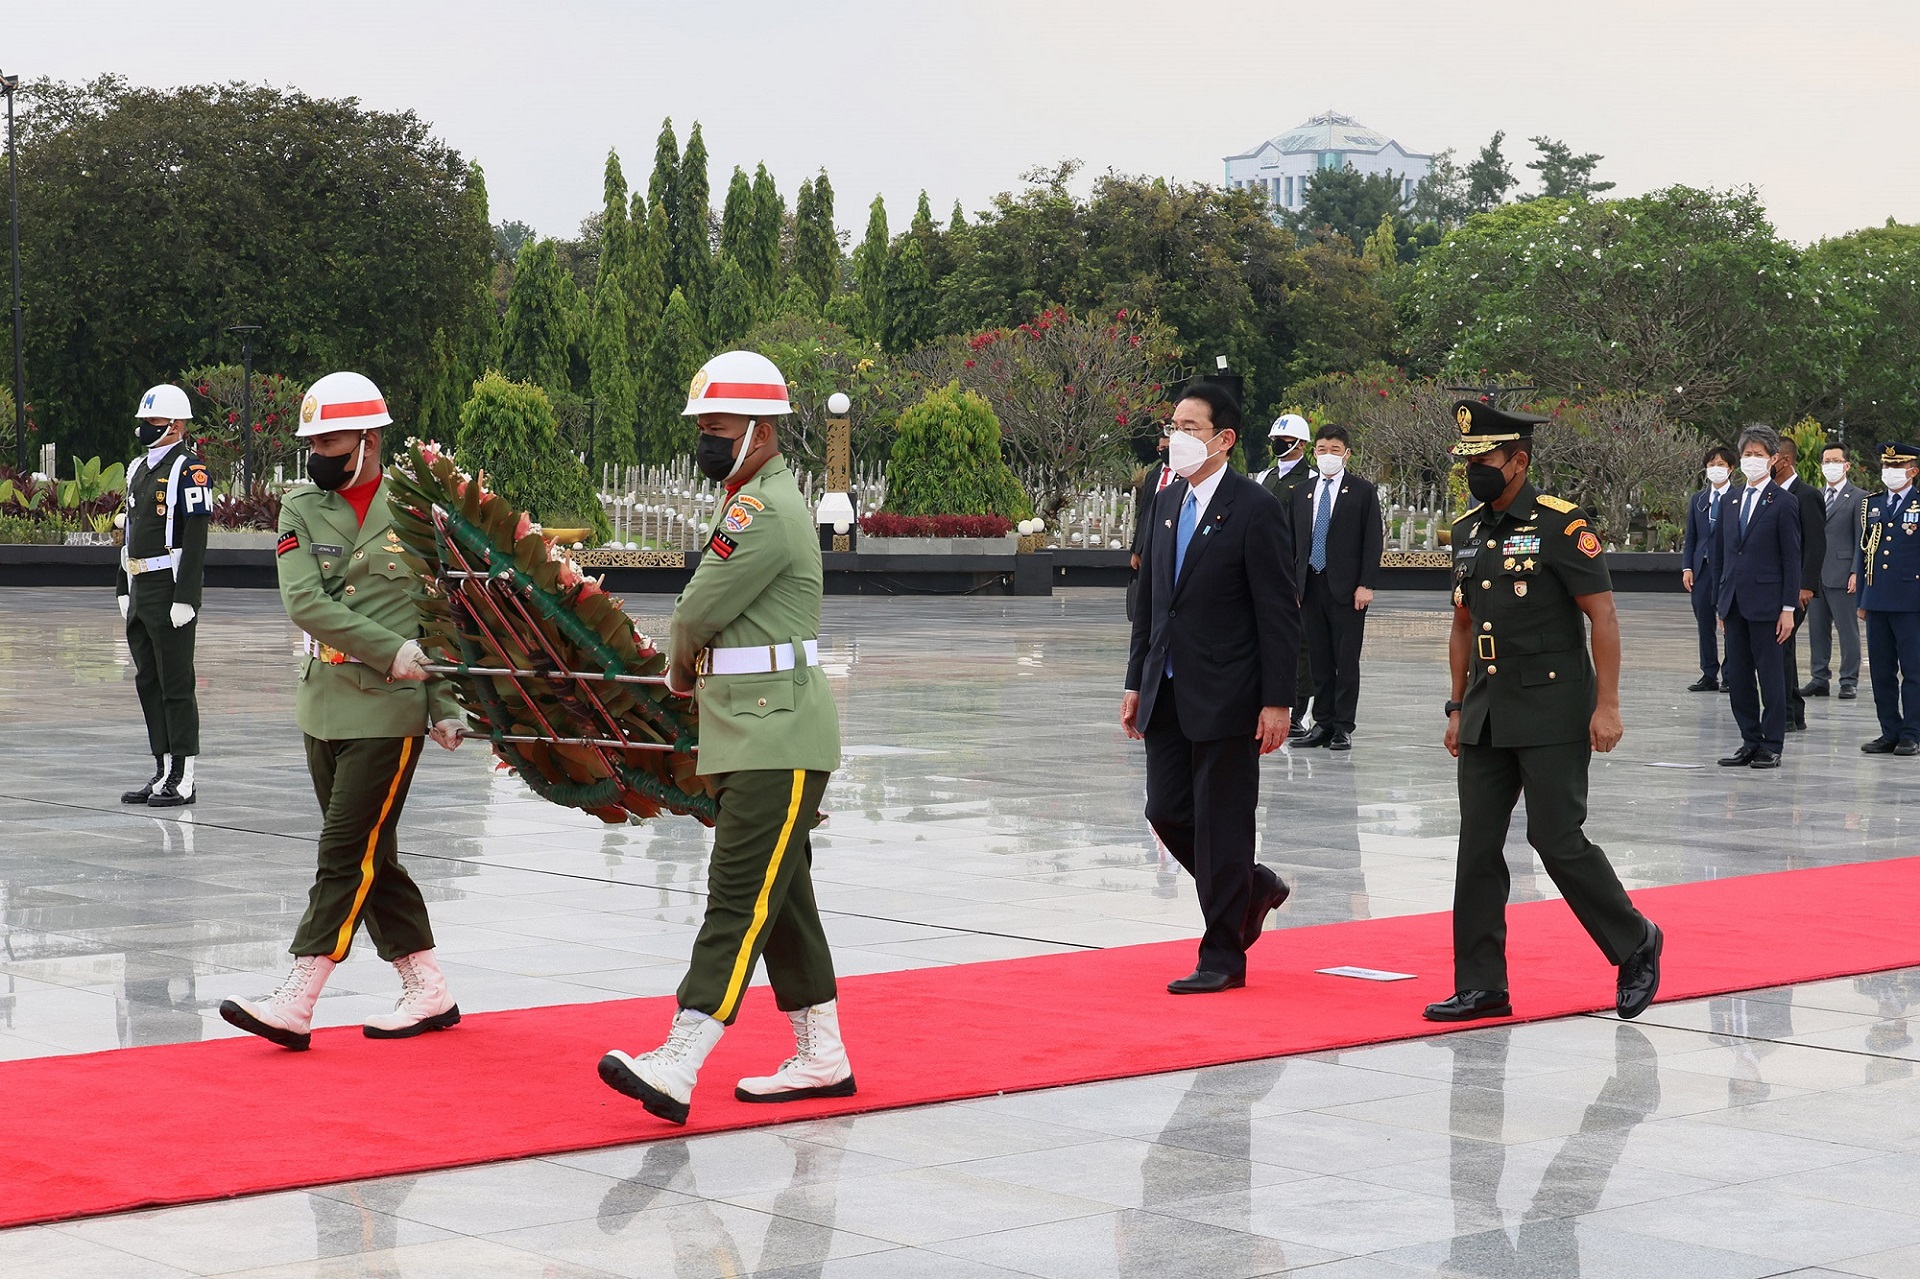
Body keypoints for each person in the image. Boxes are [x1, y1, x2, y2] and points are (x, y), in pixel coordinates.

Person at [600, 350, 851, 1125]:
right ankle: (822, 1054)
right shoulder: (750, 497)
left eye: (718, 427)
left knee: (736, 898)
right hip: (754, 728)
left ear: (761, 429)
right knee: (786, 899)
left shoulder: (762, 509)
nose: (706, 439)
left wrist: (677, 673)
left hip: (775, 731)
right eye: (703, 427)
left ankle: (681, 1055)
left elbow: (694, 611)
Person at [219, 371, 467, 1051]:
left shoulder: (416, 512)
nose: (318, 453)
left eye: (330, 439)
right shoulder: (300, 507)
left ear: (367, 439)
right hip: (323, 701)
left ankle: (298, 994)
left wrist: (442, 701)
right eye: (313, 441)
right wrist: (392, 650)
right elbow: (305, 603)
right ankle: (428, 984)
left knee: (343, 848)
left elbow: (437, 616)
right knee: (371, 851)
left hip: (391, 710)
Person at [1427, 400, 1660, 1024]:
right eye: (1467, 460)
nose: (1474, 469)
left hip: (1554, 710)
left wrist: (1607, 705)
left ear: (1519, 462)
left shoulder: (1561, 524)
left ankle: (1635, 940)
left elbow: (1602, 616)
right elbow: (1461, 624)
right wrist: (1455, 706)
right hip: (1485, 713)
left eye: (1485, 459)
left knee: (1555, 840)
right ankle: (1481, 984)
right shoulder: (1469, 530)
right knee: (1476, 848)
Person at [1121, 380, 1300, 994]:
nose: (1177, 438)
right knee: (1165, 810)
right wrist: (1135, 679)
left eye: (1191, 428)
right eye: (1173, 426)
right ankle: (1250, 889)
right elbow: (1149, 601)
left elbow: (1279, 611)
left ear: (1224, 440)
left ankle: (1223, 954)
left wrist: (1278, 700)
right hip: (1166, 687)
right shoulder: (1166, 501)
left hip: (1231, 692)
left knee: (1223, 821)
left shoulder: (1255, 507)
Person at [116, 385, 215, 807]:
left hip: (169, 587)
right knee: (148, 682)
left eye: (153, 423)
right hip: (141, 587)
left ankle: (184, 774)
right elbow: (129, 531)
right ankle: (162, 769)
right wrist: (122, 585)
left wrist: (187, 597)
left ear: (176, 426)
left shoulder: (189, 470)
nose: (145, 429)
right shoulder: (139, 468)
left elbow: (195, 538)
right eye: (144, 422)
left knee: (176, 683)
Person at [1715, 424, 1802, 769]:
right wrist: (1721, 603)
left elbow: (1792, 557)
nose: (1752, 460)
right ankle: (1749, 739)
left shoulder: (1783, 502)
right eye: (1747, 455)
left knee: (1770, 676)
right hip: (1734, 600)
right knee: (1737, 676)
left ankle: (1771, 743)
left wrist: (1787, 608)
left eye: (1759, 455)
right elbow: (1722, 554)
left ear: (1774, 459)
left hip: (1768, 603)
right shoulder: (1730, 500)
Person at [1290, 424, 1382, 751]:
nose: (1327, 455)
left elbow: (1373, 541)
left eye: (1334, 449)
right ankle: (1322, 722)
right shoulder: (1302, 493)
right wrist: (1293, 584)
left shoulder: (1362, 491)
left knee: (1345, 660)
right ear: (1313, 452)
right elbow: (1293, 542)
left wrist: (1366, 584)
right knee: (1318, 660)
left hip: (1347, 589)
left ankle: (1343, 726)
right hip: (1310, 586)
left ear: (1347, 453)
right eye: (1321, 449)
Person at [1855, 443, 1920, 756]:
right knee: (1881, 671)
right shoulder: (1873, 504)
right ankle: (1889, 731)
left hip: (1912, 600)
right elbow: (1864, 551)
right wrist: (1863, 598)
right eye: (1886, 467)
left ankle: (1912, 733)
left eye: (1897, 467)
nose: (1890, 473)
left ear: (1913, 471)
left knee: (1914, 671)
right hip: (1878, 597)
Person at [1261, 413, 1317, 737]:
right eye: (1275, 440)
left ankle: (1298, 709)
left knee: (1301, 644)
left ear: (1302, 444)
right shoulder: (1265, 476)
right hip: (1266, 566)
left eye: (1284, 441)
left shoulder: (1310, 477)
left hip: (1296, 570)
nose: (1278, 445)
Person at [1771, 438, 1825, 732]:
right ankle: (1791, 712)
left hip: (1796, 588)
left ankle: (1790, 713)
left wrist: (1807, 585)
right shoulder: (1768, 494)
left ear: (1785, 460)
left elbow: (1815, 544)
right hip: (1771, 585)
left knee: (1781, 647)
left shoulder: (1806, 495)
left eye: (1769, 457)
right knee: (1779, 649)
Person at [1804, 442, 1865, 700]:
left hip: (1843, 574)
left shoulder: (1858, 497)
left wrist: (1856, 571)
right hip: (1816, 575)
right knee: (1817, 630)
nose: (1831, 465)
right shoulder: (1815, 495)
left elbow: (1862, 538)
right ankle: (1819, 677)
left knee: (1847, 630)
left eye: (1836, 461)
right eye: (1827, 461)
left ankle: (1848, 680)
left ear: (1847, 465)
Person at [1681, 446, 1734, 693]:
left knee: (1730, 622)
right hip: (1702, 568)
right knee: (1705, 623)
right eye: (1712, 465)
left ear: (1731, 468)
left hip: (1727, 569)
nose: (1716, 469)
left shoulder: (1738, 497)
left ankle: (1731, 673)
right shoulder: (1699, 499)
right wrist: (1687, 567)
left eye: (1721, 464)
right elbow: (1691, 537)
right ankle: (1708, 673)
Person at [1127, 427, 1173, 621]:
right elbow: (1143, 512)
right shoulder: (1153, 475)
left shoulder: (1187, 476)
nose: (1164, 452)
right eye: (1161, 448)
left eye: (1168, 448)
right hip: (1148, 543)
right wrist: (1136, 550)